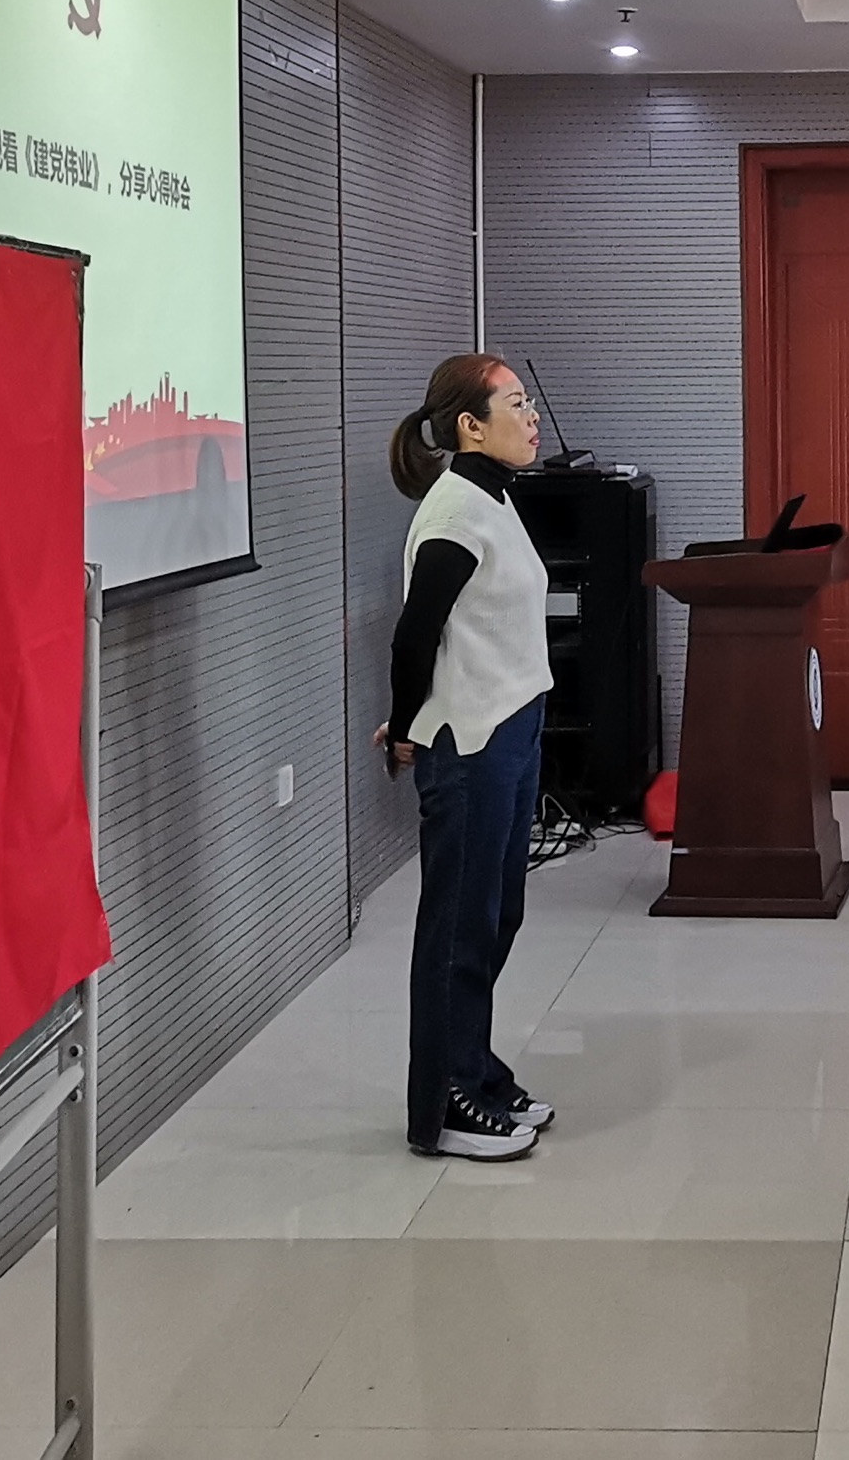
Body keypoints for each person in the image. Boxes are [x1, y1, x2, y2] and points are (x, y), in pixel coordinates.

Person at [374, 354, 556, 1162]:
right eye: (515, 405)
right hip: (472, 743)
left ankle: (475, 1069)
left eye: (528, 402)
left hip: (512, 726)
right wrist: (406, 723)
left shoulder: (495, 495)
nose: (532, 416)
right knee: (458, 927)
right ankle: (444, 1105)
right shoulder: (453, 512)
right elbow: (414, 634)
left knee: (495, 916)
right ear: (470, 427)